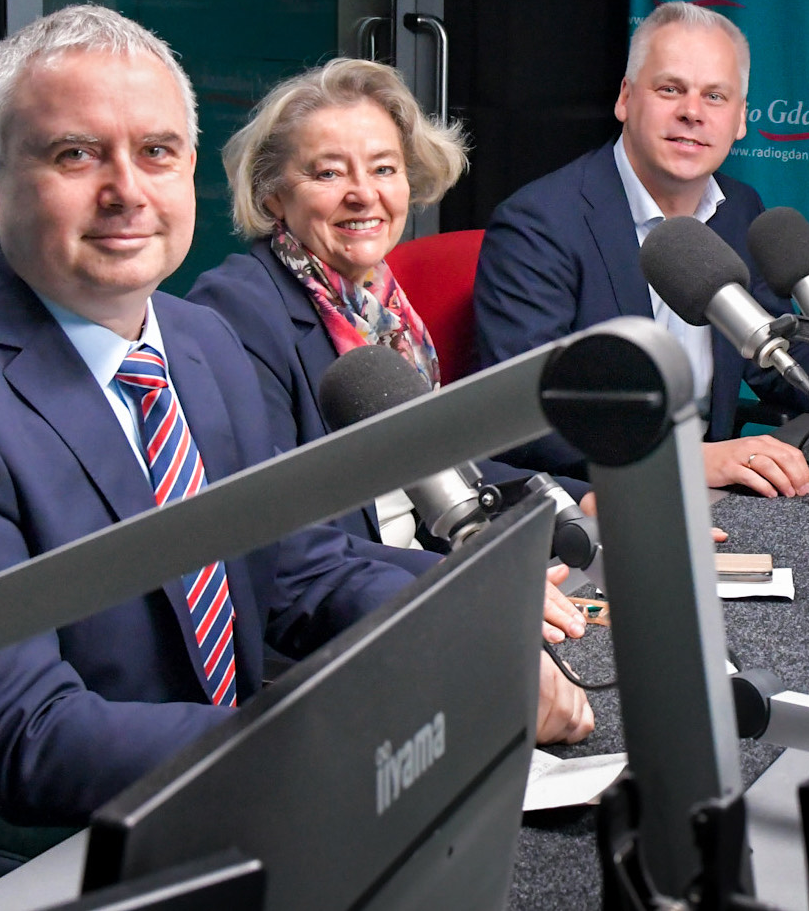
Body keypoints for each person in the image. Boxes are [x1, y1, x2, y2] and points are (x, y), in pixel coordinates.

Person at [0, 6, 588, 881]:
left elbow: (295, 567)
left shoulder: (197, 340)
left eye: (157, 152)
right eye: (74, 154)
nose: (127, 189)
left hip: (199, 791)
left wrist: (469, 621)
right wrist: (351, 731)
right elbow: (28, 734)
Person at [474, 2, 809, 491]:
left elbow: (775, 357)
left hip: (718, 491)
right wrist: (689, 459)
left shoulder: (739, 207)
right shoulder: (539, 225)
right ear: (624, 98)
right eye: (670, 89)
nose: (693, 111)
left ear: (740, 121)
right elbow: (528, 416)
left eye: (715, 95)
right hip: (596, 502)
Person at [184, 57, 596, 643]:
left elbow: (449, 471)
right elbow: (280, 548)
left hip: (424, 583)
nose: (364, 194)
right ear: (274, 196)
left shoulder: (380, 304)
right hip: (351, 627)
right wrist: (461, 580)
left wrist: (586, 502)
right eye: (328, 174)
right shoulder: (235, 312)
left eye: (384, 168)